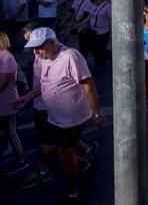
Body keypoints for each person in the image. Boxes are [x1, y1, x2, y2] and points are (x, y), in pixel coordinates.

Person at [13, 27, 106, 204]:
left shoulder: (70, 56)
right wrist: (26, 98)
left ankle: (72, 192)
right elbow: (45, 84)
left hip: (71, 118)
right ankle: (86, 164)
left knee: (64, 153)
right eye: (33, 49)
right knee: (48, 151)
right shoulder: (44, 58)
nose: (36, 52)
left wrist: (97, 113)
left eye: (38, 48)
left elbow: (88, 84)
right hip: (53, 116)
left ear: (51, 42)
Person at [0, 31, 27, 176]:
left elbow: (2, 84)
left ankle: (21, 160)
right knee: (5, 132)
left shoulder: (6, 58)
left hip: (7, 103)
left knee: (11, 132)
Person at [87, 0, 111, 73]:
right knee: (94, 49)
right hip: (93, 30)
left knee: (100, 50)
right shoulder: (93, 5)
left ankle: (100, 65)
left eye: (94, 0)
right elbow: (89, 16)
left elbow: (110, 18)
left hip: (103, 31)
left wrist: (112, 33)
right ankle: (99, 64)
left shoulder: (107, 6)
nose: (93, 2)